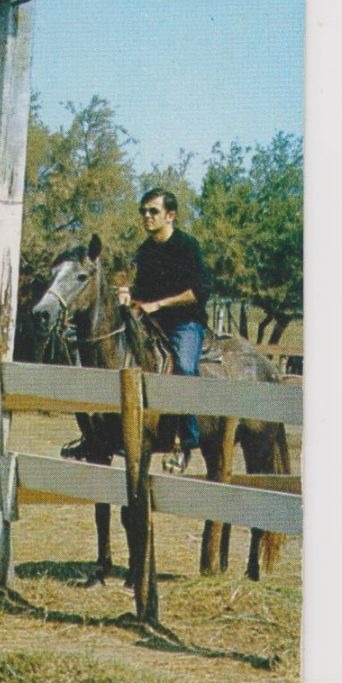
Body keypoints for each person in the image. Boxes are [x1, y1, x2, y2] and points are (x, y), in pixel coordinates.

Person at [117, 187, 211, 475]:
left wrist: (157, 305)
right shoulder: (144, 251)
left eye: (153, 211)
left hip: (185, 322)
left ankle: (187, 442)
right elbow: (142, 294)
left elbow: (198, 291)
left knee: (183, 366)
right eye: (143, 211)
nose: (146, 216)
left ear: (170, 215)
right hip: (152, 323)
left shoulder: (187, 246)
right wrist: (128, 299)